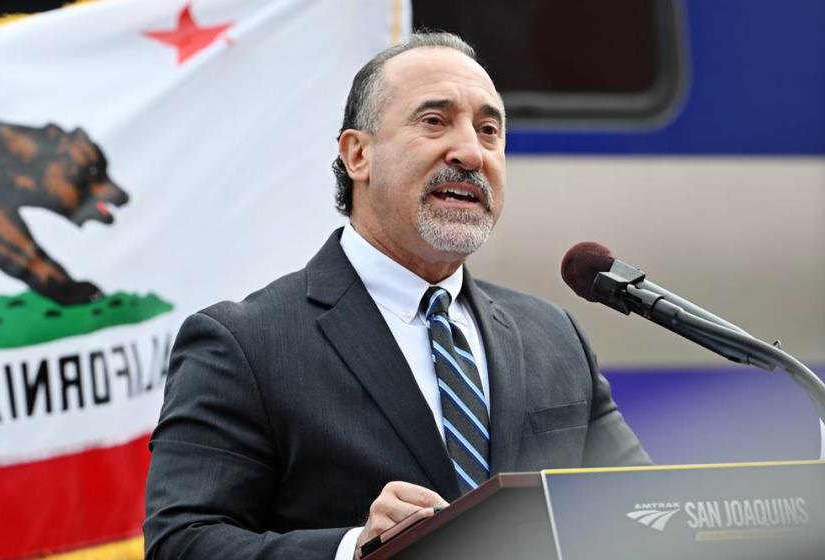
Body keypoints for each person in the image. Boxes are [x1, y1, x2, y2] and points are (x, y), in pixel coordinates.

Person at [144, 31, 650, 560]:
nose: (471, 152)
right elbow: (181, 543)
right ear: (357, 154)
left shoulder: (553, 335)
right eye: (434, 121)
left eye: (489, 130)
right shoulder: (243, 344)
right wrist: (353, 549)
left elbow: (649, 512)